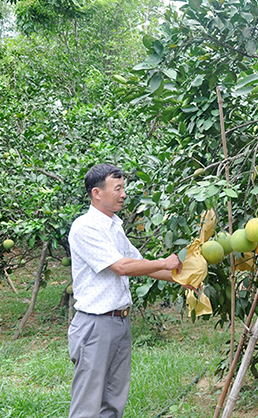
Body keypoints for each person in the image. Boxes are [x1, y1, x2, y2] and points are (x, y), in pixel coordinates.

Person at [67, 163, 183, 418]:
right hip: (95, 325)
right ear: (97, 193)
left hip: (119, 322)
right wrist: (165, 262)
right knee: (88, 404)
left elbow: (142, 266)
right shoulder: (85, 227)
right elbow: (122, 266)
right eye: (118, 188)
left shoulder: (114, 227)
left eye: (123, 188)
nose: (123, 194)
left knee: (114, 399)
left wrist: (183, 278)